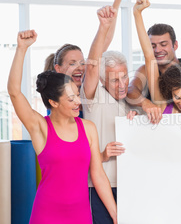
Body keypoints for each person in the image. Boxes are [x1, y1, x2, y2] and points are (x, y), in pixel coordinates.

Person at [8, 30, 117, 224]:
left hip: (81, 215)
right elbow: (14, 92)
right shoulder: (40, 127)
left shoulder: (88, 128)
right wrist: (22, 49)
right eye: (71, 98)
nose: (78, 101)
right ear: (54, 103)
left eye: (77, 94)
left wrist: (116, 215)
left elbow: (98, 174)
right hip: (46, 215)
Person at [80, 5, 138, 223]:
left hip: (128, 184)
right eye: (115, 79)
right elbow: (93, 66)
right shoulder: (94, 98)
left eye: (125, 77)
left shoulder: (129, 104)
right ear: (103, 81)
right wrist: (103, 27)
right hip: (98, 185)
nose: (122, 84)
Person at [43, 0, 127, 118]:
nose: (80, 67)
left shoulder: (87, 86)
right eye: (72, 63)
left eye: (82, 63)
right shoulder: (55, 95)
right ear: (58, 69)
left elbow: (105, 39)